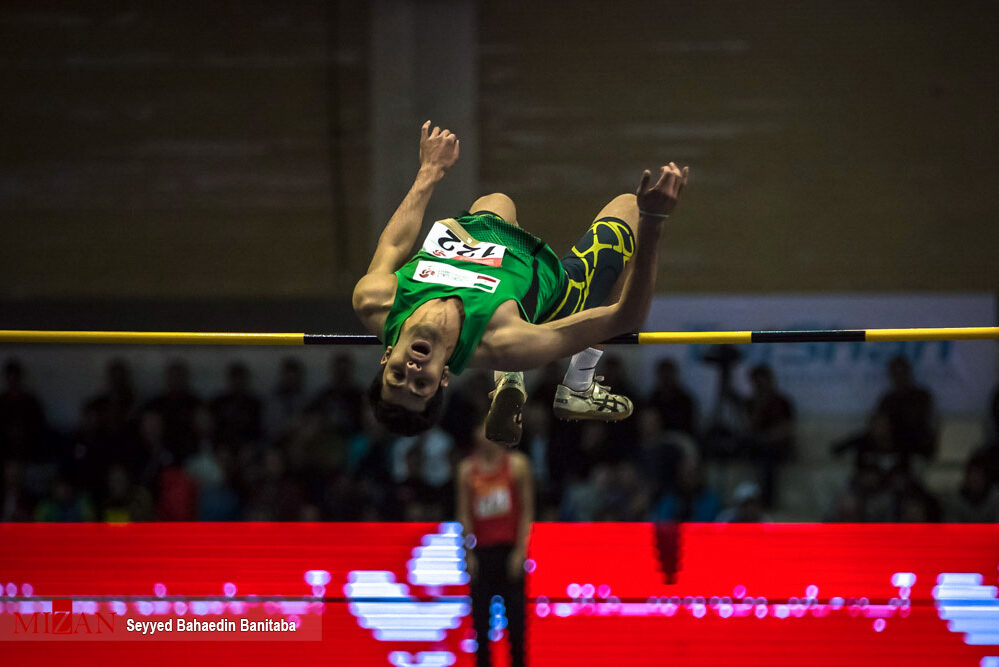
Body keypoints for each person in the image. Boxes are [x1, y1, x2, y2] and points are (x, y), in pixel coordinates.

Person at [352, 121, 689, 438]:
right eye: (420, 385)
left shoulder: (375, 299)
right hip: (552, 287)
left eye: (397, 377)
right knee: (629, 208)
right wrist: (653, 222)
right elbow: (625, 317)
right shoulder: (504, 340)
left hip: (483, 237)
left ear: (386, 357)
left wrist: (429, 171)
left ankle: (510, 376)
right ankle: (578, 384)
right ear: (442, 378)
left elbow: (393, 244)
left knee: (497, 201)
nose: (411, 370)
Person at [456, 415, 534, 667]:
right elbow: (464, 514)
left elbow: (526, 511)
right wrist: (467, 553)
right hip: (481, 554)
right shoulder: (467, 470)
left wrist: (521, 551)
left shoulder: (518, 465)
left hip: (509, 552)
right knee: (480, 626)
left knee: (517, 626)